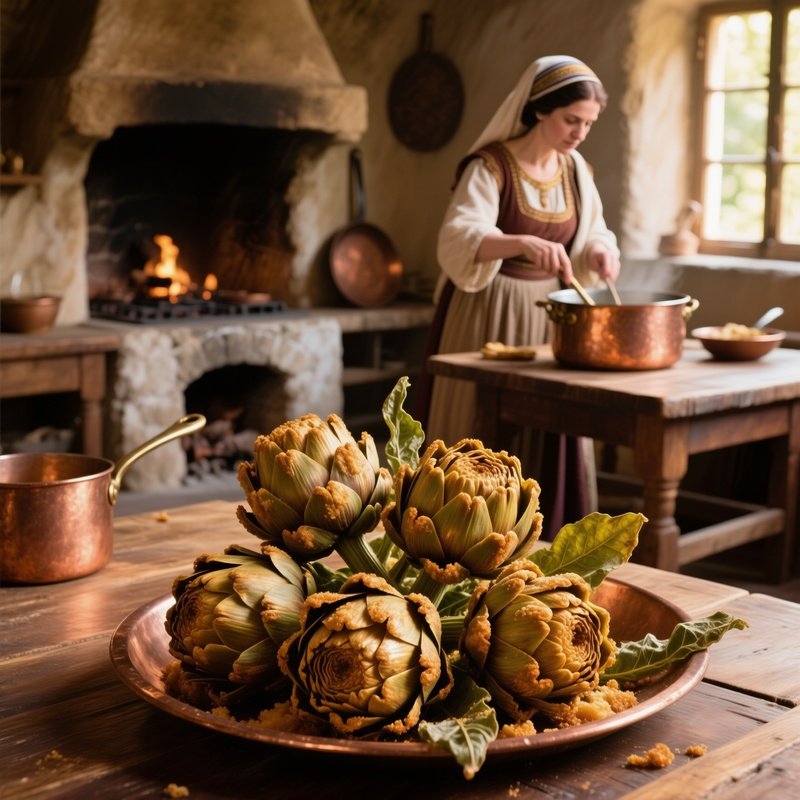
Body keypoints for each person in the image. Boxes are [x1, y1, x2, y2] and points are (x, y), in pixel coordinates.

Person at [419, 55, 621, 537]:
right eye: (572, 120)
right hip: (488, 309)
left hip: (550, 316)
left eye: (589, 123)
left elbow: (595, 229)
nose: (580, 132)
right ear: (539, 110)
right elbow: (458, 235)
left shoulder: (575, 170)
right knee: (480, 426)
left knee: (545, 422)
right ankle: (459, 535)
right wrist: (520, 242)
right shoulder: (491, 165)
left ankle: (538, 538)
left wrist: (599, 251)